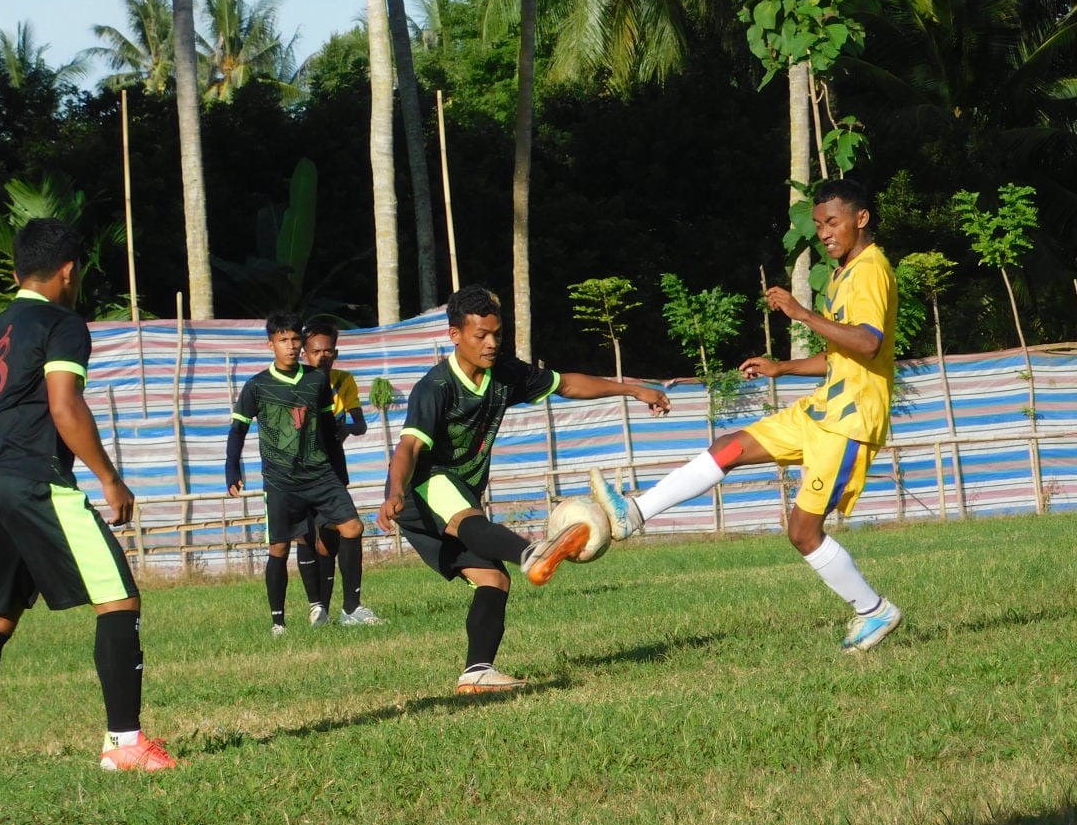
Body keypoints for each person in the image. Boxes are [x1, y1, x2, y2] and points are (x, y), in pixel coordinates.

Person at [590, 178, 903, 653]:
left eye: (832, 222)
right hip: (824, 407)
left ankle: (873, 609)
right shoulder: (843, 274)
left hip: (850, 421)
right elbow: (843, 354)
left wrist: (802, 314)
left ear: (861, 218)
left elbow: (868, 342)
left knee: (802, 532)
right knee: (730, 446)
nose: (823, 233)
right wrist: (783, 367)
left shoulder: (871, 270)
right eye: (818, 224)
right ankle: (634, 513)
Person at [0, 219, 173, 772]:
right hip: (33, 482)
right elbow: (65, 408)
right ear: (68, 271)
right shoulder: (61, 324)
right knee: (118, 597)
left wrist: (0, 478)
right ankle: (124, 743)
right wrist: (110, 478)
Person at [377, 285, 670, 693]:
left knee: (493, 580)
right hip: (420, 488)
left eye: (497, 334)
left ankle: (477, 672)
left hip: (456, 496)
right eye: (481, 335)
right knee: (467, 517)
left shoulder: (504, 374)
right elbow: (408, 446)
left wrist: (633, 389)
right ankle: (532, 553)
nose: (491, 343)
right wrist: (394, 490)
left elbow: (566, 384)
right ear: (455, 335)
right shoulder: (436, 387)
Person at [226, 312, 364, 636]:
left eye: (294, 339)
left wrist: (338, 472)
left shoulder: (316, 380)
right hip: (281, 481)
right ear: (270, 344)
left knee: (353, 527)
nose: (290, 346)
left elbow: (328, 428)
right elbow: (237, 430)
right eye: (283, 340)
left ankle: (351, 609)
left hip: (320, 475)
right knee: (279, 549)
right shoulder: (257, 386)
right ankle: (278, 623)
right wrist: (232, 469)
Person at [296, 319, 382, 627]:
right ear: (305, 353)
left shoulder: (343, 381)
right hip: (300, 471)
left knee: (341, 532)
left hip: (333, 467)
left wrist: (343, 428)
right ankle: (318, 609)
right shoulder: (294, 383)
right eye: (316, 351)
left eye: (329, 350)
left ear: (336, 352)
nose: (323, 356)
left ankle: (350, 608)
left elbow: (360, 424)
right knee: (308, 537)